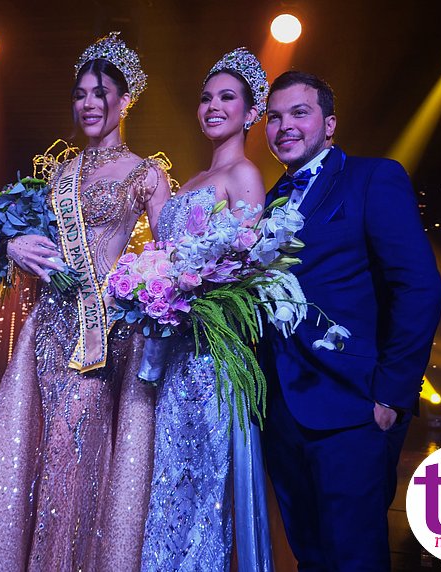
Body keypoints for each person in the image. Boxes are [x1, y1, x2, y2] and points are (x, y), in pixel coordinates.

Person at [0, 32, 171, 571]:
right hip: (48, 327)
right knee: (36, 451)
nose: (88, 103)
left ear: (125, 99)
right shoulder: (60, 173)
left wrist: (139, 294)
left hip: (102, 331)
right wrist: (13, 245)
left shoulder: (146, 174)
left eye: (100, 93)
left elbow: (166, 260)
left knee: (77, 449)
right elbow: (20, 242)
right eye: (80, 94)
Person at [259, 70, 441, 571]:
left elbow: (420, 289)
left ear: (330, 123)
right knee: (310, 558)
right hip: (283, 414)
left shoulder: (373, 178)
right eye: (274, 116)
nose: (284, 125)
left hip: (354, 409)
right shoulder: (269, 200)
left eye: (299, 113)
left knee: (355, 559)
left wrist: (391, 397)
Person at [140, 48, 272, 572]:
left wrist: (186, 290)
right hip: (172, 350)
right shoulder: (193, 179)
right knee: (169, 479)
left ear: (251, 111)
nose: (213, 106)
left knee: (201, 481)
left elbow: (248, 268)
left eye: (226, 97)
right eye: (205, 98)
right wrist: (150, 284)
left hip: (209, 354)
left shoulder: (245, 174)